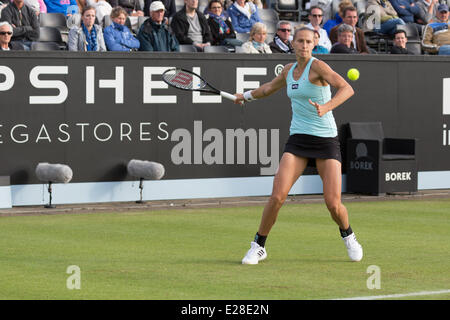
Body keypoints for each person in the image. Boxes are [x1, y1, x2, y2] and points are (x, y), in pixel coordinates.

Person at [234, 27, 362, 265]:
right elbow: (268, 89)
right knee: (277, 196)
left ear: (314, 44)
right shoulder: (288, 71)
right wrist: (246, 96)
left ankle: (348, 235)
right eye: (300, 41)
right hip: (298, 139)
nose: (304, 45)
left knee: (333, 204)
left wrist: (327, 107)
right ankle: (258, 246)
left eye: (308, 42)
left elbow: (347, 88)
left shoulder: (319, 67)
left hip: (325, 140)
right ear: (292, 43)